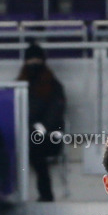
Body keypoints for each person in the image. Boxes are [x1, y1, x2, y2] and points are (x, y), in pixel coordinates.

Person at [17, 41, 67, 203]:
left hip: (49, 136)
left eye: (37, 60)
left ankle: (46, 194)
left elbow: (56, 112)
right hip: (25, 134)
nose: (34, 63)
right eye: (30, 60)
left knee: (35, 148)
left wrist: (42, 127)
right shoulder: (20, 84)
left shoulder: (53, 86)